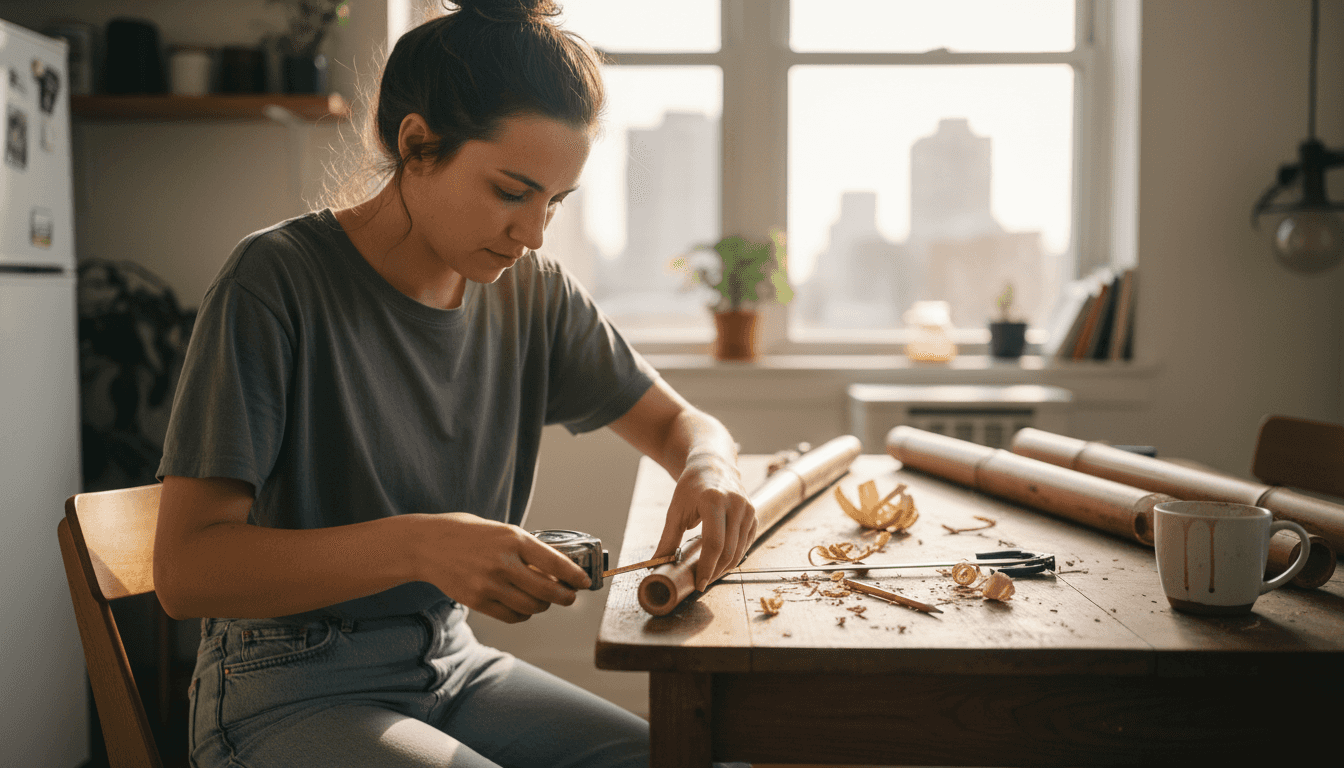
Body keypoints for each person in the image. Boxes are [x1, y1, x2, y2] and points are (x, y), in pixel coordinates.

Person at [152, 1, 756, 766]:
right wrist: (418, 546)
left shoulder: (533, 291)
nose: (534, 232)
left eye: (555, 201)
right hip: (286, 685)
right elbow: (185, 572)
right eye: (512, 191)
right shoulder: (275, 282)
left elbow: (683, 426)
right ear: (417, 144)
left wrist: (711, 467)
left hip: (452, 662)